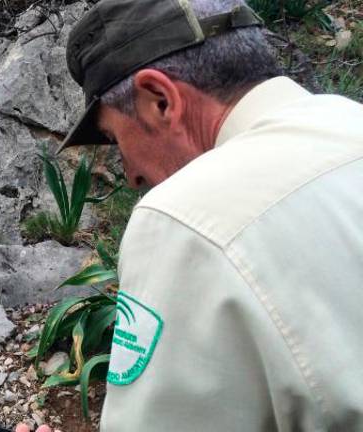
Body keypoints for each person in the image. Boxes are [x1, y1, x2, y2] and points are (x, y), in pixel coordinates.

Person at [20, 0, 363, 430]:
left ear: (160, 100)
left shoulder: (184, 218)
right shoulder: (351, 121)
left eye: (113, 136)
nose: (131, 176)